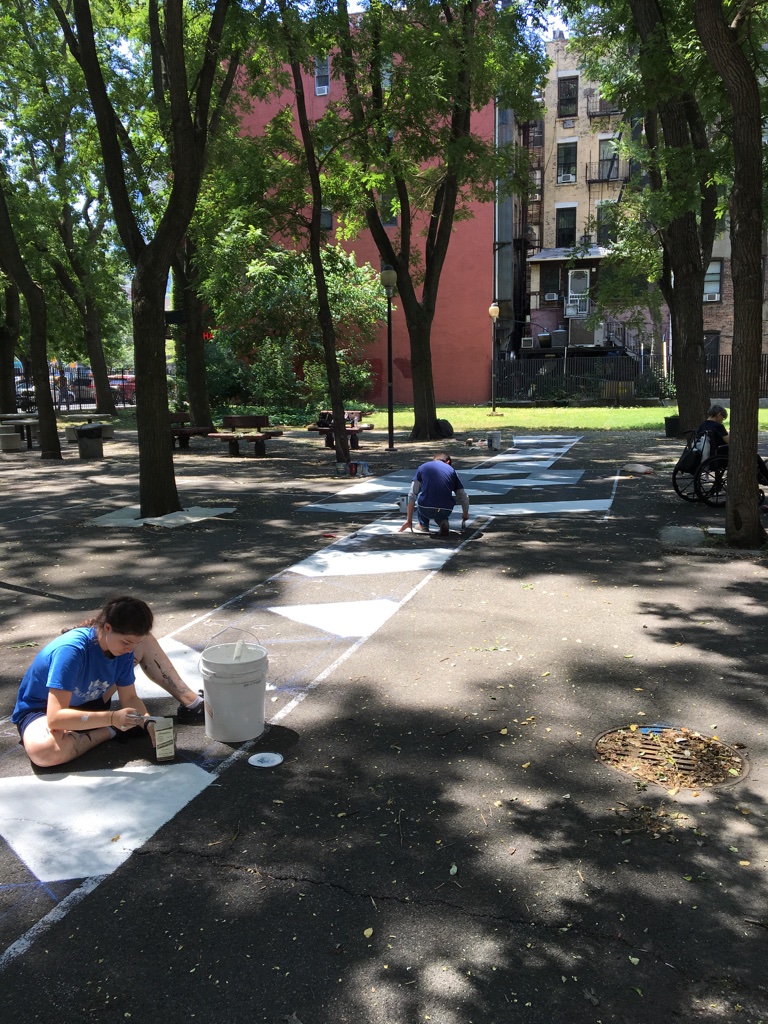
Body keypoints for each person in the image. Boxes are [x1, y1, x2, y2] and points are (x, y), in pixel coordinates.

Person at [13, 596, 160, 768]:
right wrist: (113, 719)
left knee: (55, 746)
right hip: (42, 710)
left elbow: (130, 698)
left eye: (136, 643)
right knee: (45, 752)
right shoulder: (71, 650)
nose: (130, 649)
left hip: (88, 703)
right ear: (107, 627)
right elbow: (55, 718)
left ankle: (93, 730)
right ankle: (109, 732)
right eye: (126, 642)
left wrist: (148, 722)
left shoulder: (123, 650)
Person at [399, 452, 470, 536]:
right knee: (440, 508)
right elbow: (463, 496)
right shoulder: (452, 471)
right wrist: (465, 514)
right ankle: (443, 522)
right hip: (445, 510)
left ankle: (423, 525)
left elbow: (412, 494)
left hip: (425, 508)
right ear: (447, 462)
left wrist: (409, 520)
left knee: (421, 495)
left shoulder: (422, 467)